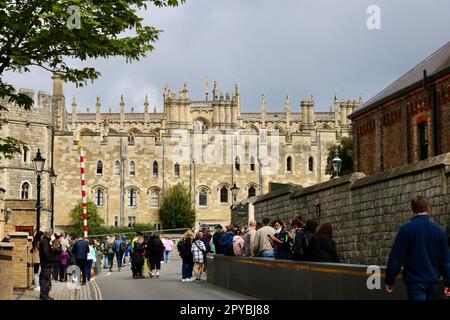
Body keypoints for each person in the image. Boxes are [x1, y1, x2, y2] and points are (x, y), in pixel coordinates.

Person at [385, 196, 450, 300]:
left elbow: (396, 259)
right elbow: (446, 261)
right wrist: (448, 283)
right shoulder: (439, 232)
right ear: (427, 208)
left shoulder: (406, 230)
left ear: (412, 209)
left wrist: (389, 280)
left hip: (415, 282)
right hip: (433, 282)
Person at [38, 228, 60, 300]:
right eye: (51, 234)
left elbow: (47, 252)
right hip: (46, 265)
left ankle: (44, 294)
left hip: (45, 264)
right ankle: (44, 295)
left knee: (45, 280)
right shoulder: (45, 241)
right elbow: (46, 254)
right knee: (46, 281)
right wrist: (53, 258)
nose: (51, 235)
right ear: (49, 234)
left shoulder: (45, 241)